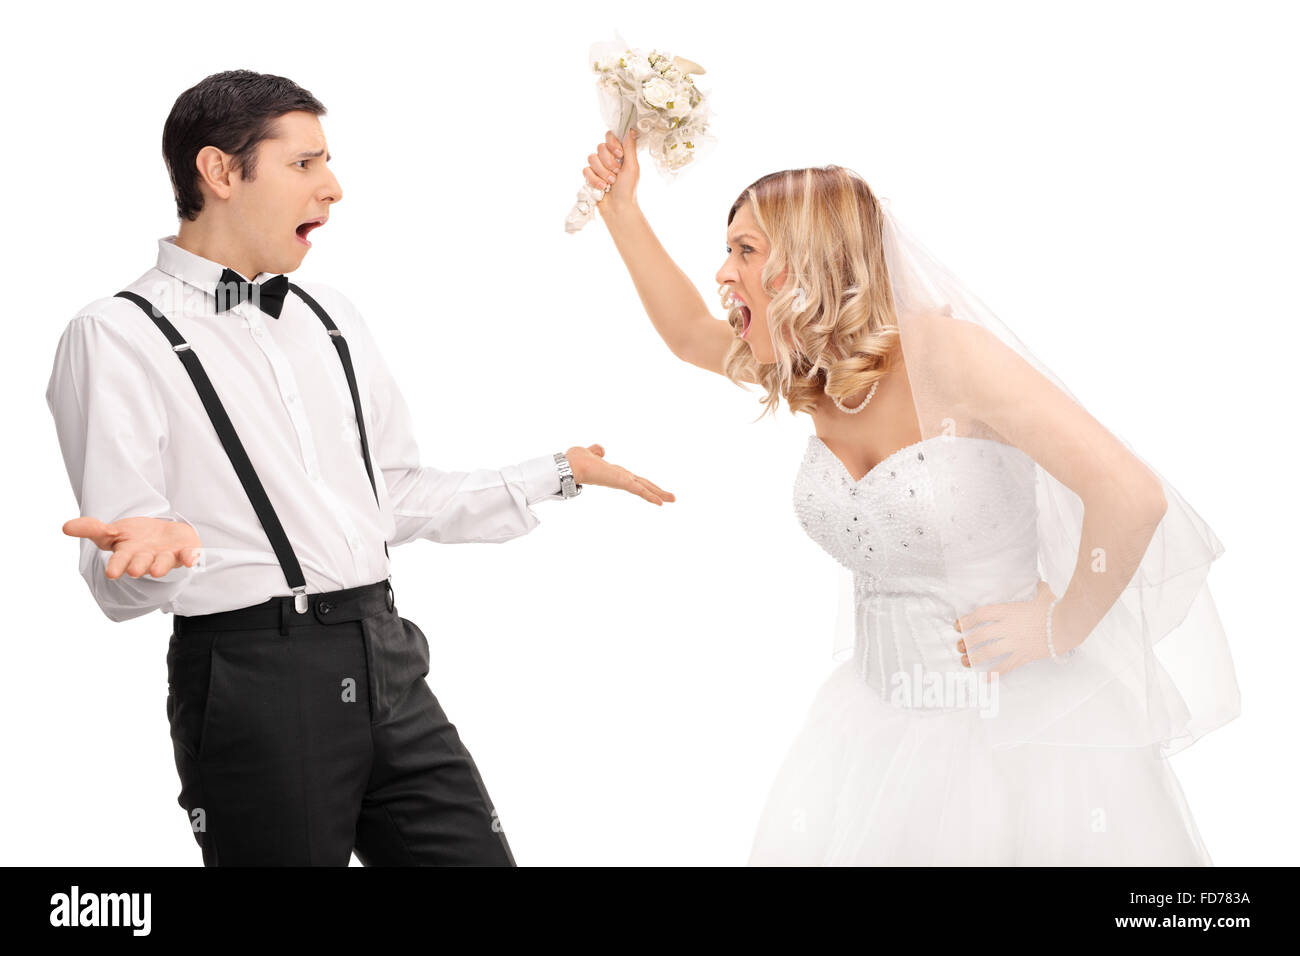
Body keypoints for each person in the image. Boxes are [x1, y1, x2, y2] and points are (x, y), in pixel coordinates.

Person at [44, 71, 676, 868]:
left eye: (327, 163)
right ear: (221, 172)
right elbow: (118, 572)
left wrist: (555, 472)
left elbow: (395, 498)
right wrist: (157, 557)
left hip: (385, 651)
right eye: (304, 165)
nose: (333, 188)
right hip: (251, 675)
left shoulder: (328, 315)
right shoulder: (113, 335)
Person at [579, 128, 1239, 865]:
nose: (724, 273)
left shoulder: (950, 357)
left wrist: (1061, 624)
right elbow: (687, 334)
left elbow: (1129, 494)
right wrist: (620, 207)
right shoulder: (814, 371)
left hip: (1019, 736)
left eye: (745, 250)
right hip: (875, 727)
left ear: (810, 260)